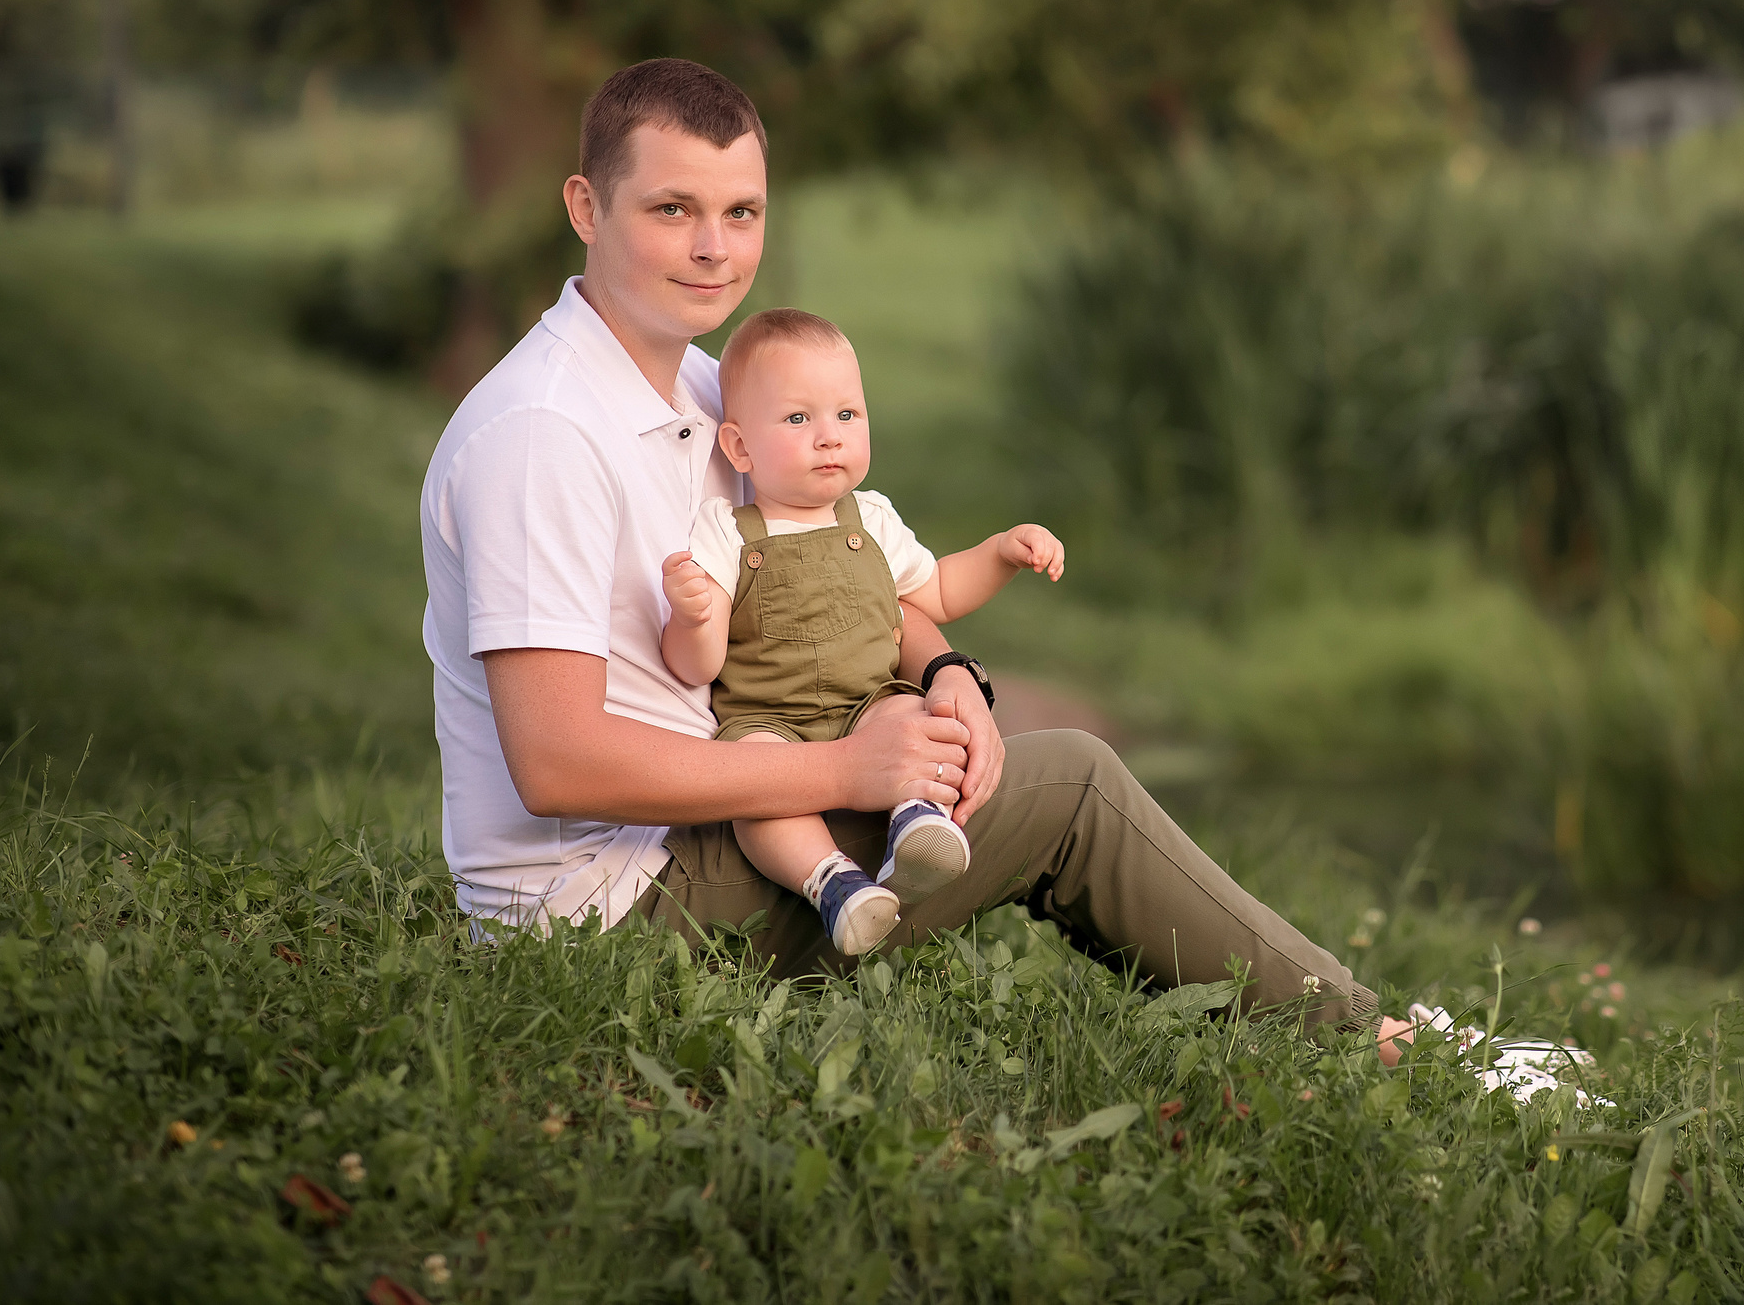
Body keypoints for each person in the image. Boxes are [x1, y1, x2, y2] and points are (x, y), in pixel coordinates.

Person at [419, 57, 1412, 1053]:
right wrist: (847, 769)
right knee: (1068, 786)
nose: (715, 249)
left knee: (1013, 763)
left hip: (704, 831)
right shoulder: (542, 433)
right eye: (673, 209)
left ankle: (1337, 1036)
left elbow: (836, 571)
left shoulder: (716, 396)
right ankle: (1379, 1049)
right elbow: (557, 763)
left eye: (743, 212)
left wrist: (945, 675)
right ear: (586, 206)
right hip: (600, 918)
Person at [656, 305, 1067, 956]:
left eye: (847, 415)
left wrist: (1000, 554)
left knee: (915, 714)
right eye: (799, 418)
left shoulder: (871, 519)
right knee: (757, 786)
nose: (829, 436)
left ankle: (916, 825)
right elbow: (695, 666)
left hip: (866, 703)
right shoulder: (726, 532)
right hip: (770, 721)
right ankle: (835, 886)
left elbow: (935, 591)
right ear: (739, 447)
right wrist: (694, 615)